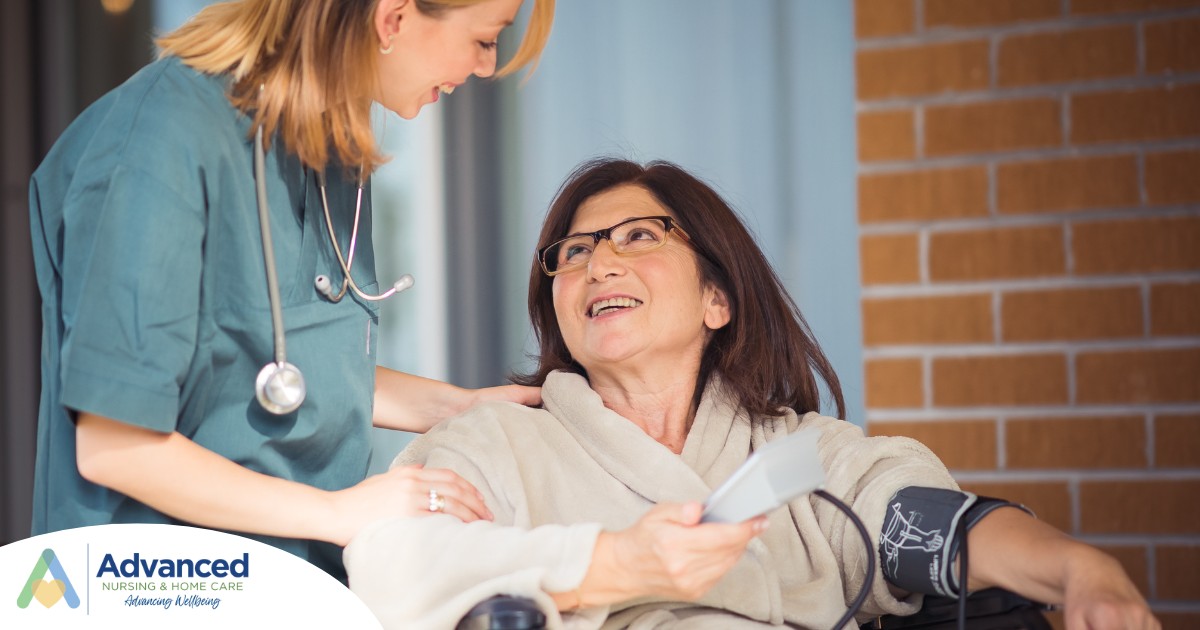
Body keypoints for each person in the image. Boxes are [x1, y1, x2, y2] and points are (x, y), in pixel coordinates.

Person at [344, 158, 1159, 629]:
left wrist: (1081, 572)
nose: (599, 264)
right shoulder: (498, 442)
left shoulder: (794, 453)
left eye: (638, 237)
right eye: (575, 251)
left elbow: (922, 520)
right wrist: (612, 565)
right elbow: (393, 563)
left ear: (717, 299)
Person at [28, 0, 552, 582]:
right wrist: (342, 511)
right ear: (394, 19)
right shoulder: (162, 138)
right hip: (154, 587)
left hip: (297, 582)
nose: (486, 66)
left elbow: (283, 369)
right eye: (485, 39)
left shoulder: (328, 150)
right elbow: (115, 445)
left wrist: (456, 408)